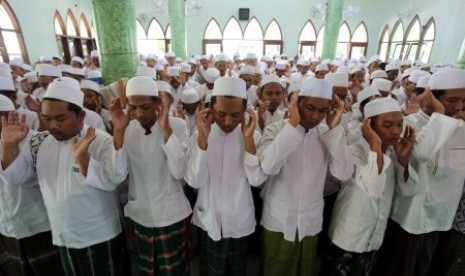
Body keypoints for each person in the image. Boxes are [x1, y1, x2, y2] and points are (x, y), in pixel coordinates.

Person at [0, 79, 127, 276]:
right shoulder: (41, 143)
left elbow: (114, 179)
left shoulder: (99, 140)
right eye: (47, 119)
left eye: (60, 118)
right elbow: (19, 178)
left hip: (98, 236)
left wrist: (83, 160)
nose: (53, 126)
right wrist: (9, 145)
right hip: (63, 236)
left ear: (81, 115)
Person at [258, 78, 354, 276]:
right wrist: (293, 127)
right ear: (296, 103)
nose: (315, 116)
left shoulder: (328, 134)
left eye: (323, 110)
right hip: (279, 219)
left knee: (305, 268)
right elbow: (268, 167)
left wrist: (335, 130)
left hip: (309, 219)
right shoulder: (275, 129)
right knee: (275, 268)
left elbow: (343, 173)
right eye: (309, 107)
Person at [376, 68, 465, 276]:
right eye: (453, 100)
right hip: (411, 218)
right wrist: (440, 114)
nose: (460, 107)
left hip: (442, 218)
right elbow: (423, 153)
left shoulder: (460, 127)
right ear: (432, 96)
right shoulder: (409, 123)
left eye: (464, 100)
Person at [322, 98, 418, 275]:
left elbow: (409, 190)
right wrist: (375, 145)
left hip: (374, 237)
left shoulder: (393, 152)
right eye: (387, 125)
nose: (396, 131)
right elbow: (373, 188)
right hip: (348, 238)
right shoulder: (355, 151)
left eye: (399, 124)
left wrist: (404, 161)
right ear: (369, 126)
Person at [110, 76, 191, 275]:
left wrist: (166, 129)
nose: (139, 113)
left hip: (171, 213)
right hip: (142, 214)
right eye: (133, 108)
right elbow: (117, 175)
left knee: (175, 269)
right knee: (148, 270)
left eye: (145, 106)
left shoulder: (177, 126)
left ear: (158, 103)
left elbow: (179, 171)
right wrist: (118, 131)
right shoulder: (127, 130)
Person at [186, 77, 266, 275]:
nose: (228, 121)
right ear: (210, 109)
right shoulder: (200, 133)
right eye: (221, 114)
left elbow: (257, 180)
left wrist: (248, 140)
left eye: (235, 114)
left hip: (239, 219)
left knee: (237, 269)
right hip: (209, 218)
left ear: (245, 112)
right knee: (210, 269)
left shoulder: (253, 136)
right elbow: (194, 181)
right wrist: (203, 140)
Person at [0, 95, 65, 276]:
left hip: (41, 227)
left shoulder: (37, 141)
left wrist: (9, 145)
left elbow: (23, 178)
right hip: (7, 230)